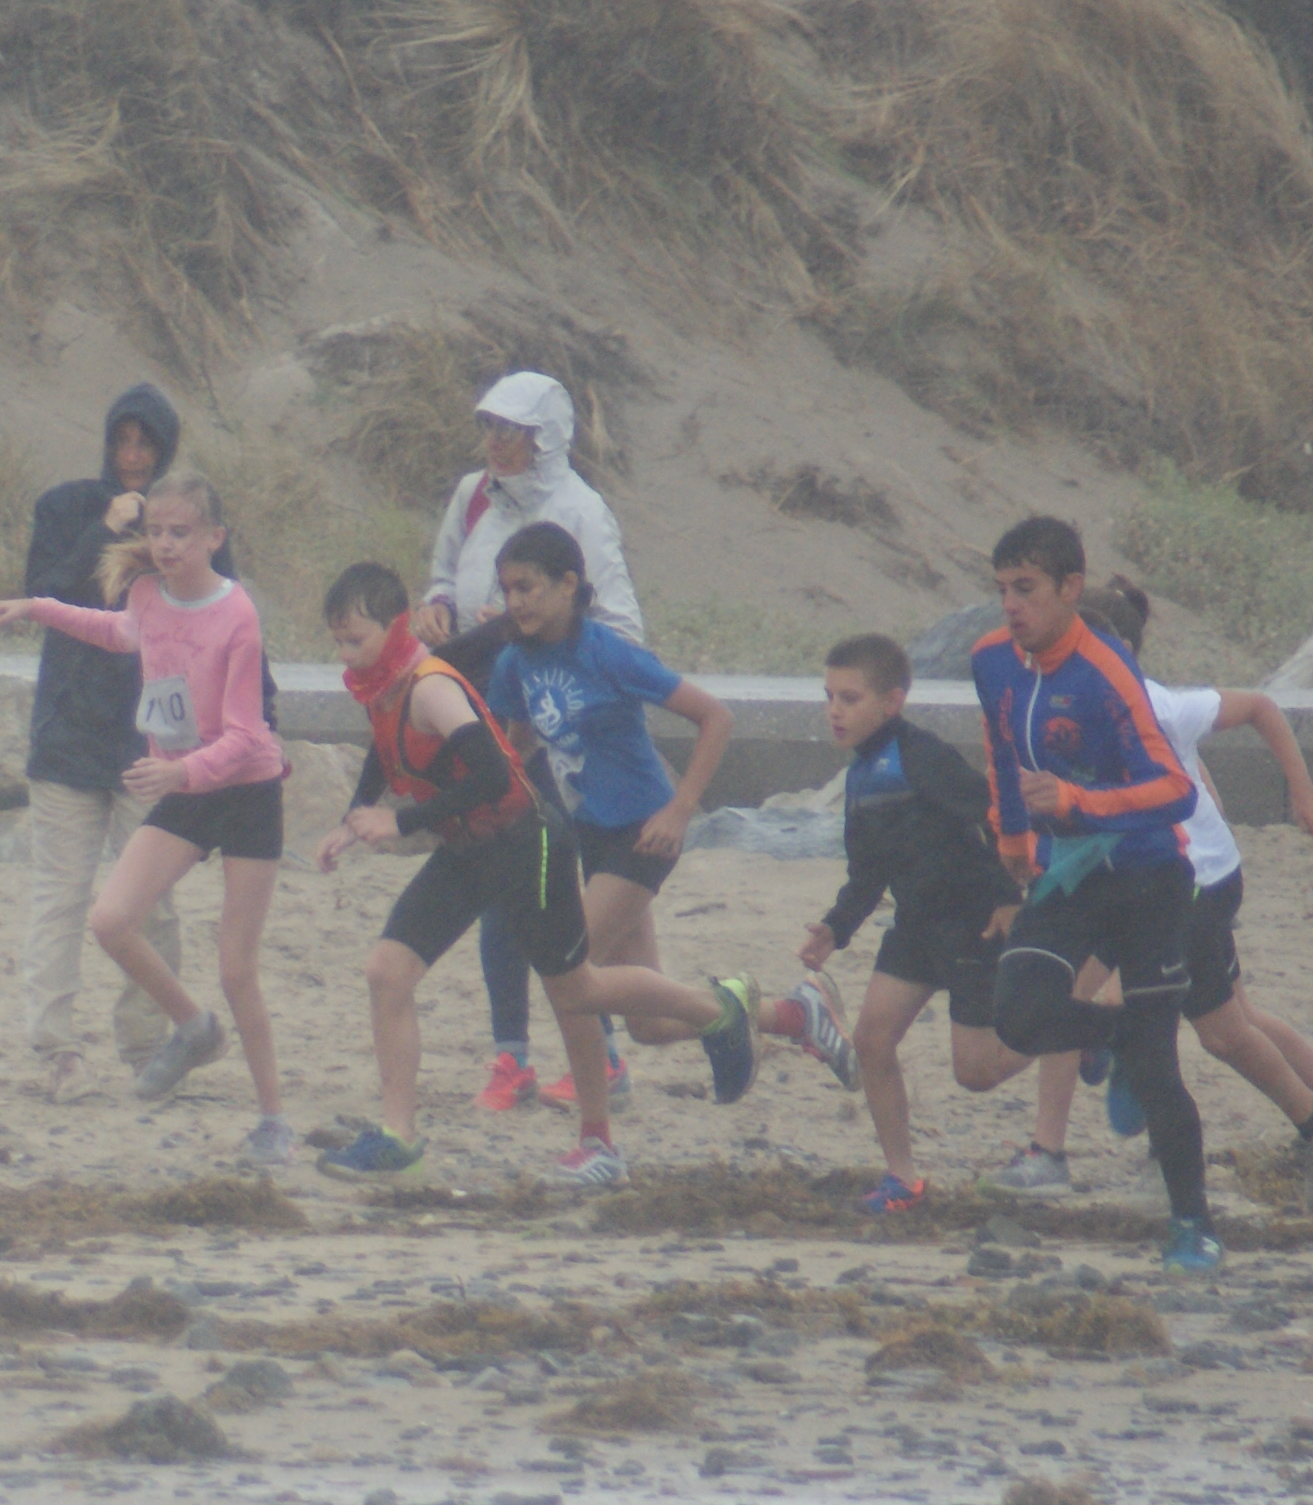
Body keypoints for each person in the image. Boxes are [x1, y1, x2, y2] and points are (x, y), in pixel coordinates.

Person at [309, 563, 749, 1189]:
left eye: (355, 640)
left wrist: (400, 823)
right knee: (387, 971)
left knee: (577, 990)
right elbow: (387, 753)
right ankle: (399, 1139)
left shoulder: (432, 688)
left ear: (396, 627)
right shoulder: (382, 689)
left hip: (528, 844)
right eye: (337, 642)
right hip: (468, 850)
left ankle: (715, 1015)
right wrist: (351, 821)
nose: (345, 656)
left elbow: (495, 773)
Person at [1020, 576, 1313, 1213]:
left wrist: (1303, 792)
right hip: (1141, 881)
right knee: (1226, 1029)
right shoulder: (1061, 715)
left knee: (1149, 1012)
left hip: (1194, 883)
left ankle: (1156, 1148)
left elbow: (1259, 709)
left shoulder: (1155, 706)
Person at [0, 469, 295, 1163]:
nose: (165, 545)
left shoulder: (238, 614)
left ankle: (274, 1119)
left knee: (237, 969)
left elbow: (248, 736)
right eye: (156, 531)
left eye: (180, 532)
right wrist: (34, 608)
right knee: (110, 920)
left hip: (246, 792)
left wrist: (180, 771)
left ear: (214, 538)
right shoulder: (147, 595)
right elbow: (117, 630)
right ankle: (193, 1026)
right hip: (185, 787)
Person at [485, 523, 843, 1108]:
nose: (515, 601)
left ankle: (600, 1085)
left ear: (568, 584)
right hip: (591, 834)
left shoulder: (607, 653)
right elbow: (519, 743)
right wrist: (486, 806)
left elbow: (715, 718)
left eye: (526, 587)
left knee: (569, 968)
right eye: (507, 590)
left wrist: (679, 811)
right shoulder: (514, 662)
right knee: (647, 1024)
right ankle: (792, 1015)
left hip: (643, 830)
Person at [969, 514, 1223, 1272]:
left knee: (1160, 1068)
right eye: (1002, 589)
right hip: (1069, 877)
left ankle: (1193, 1226)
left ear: (1070, 588)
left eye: (1026, 589)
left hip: (1149, 879)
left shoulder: (1106, 671)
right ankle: (1114, 1036)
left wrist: (1081, 803)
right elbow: (1001, 748)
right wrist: (1011, 840)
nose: (1011, 605)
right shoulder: (992, 660)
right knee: (1017, 1013)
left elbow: (1176, 790)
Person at [415, 371, 646, 1116]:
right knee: (501, 875)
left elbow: (621, 628)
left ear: (544, 440)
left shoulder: (581, 512)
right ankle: (513, 1055)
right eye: (489, 427)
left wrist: (532, 630)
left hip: (554, 723)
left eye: (510, 432)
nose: (495, 443)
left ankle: (601, 1054)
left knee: (540, 892)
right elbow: (443, 573)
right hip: (484, 709)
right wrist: (439, 607)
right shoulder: (472, 496)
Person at [796, 633, 1029, 1214]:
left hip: (973, 923)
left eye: (850, 698)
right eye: (829, 697)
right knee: (872, 1041)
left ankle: (1073, 1034)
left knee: (976, 1073)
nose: (834, 710)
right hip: (915, 928)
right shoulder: (859, 776)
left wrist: (1007, 896)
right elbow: (867, 871)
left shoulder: (922, 756)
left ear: (892, 701)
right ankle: (903, 1178)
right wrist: (835, 927)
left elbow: (992, 816)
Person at [13, 385, 198, 1101]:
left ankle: (150, 1045)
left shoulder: (189, 518)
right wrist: (104, 528)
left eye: (145, 443)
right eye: (122, 440)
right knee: (60, 896)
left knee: (155, 901)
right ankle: (54, 1048)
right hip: (67, 728)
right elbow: (45, 595)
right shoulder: (64, 507)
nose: (132, 456)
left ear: (165, 449)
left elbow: (221, 616)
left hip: (154, 737)